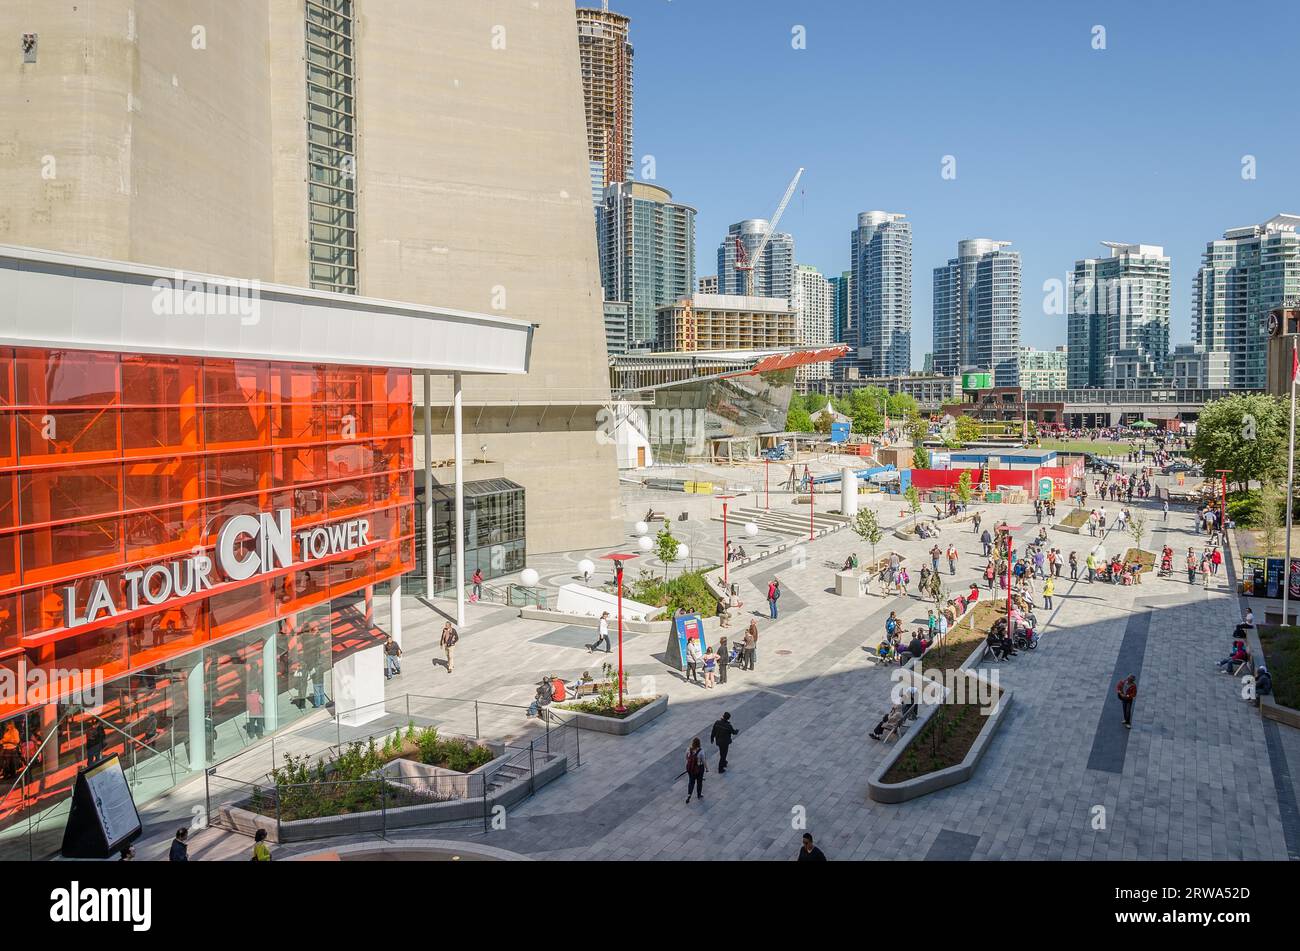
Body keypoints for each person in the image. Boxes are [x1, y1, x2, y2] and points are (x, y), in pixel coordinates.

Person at [685, 737, 708, 803]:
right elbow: (703, 760)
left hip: (690, 769)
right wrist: (707, 768)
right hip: (699, 768)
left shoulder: (688, 749)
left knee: (691, 782)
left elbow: (686, 757)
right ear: (699, 743)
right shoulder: (701, 751)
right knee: (699, 782)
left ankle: (689, 795)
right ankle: (699, 794)